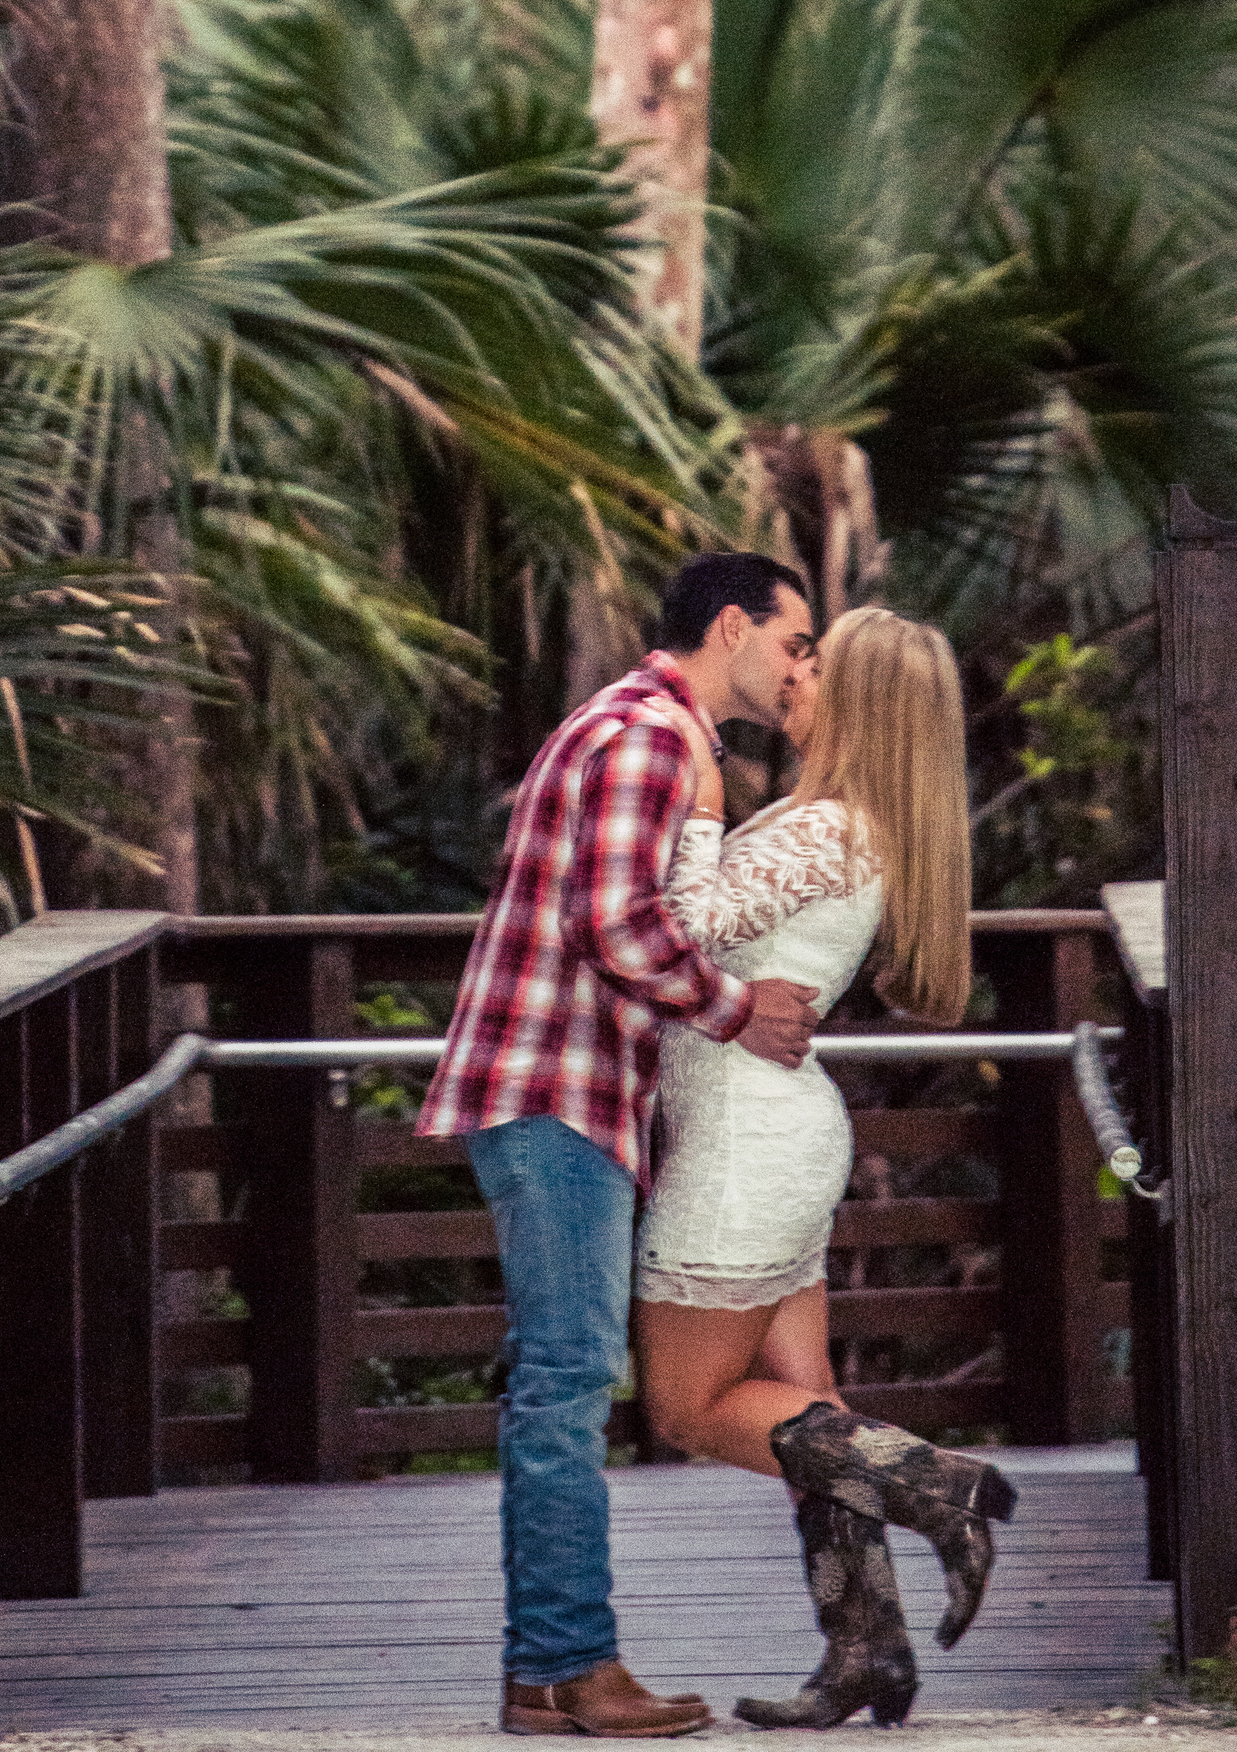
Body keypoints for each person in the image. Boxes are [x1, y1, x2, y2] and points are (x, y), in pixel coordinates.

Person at [418, 549, 822, 1741]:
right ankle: (565, 1666)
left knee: (567, 1374)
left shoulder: (632, 722)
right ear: (735, 624)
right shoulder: (648, 734)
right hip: (556, 1092)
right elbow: (618, 924)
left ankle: (551, 1670)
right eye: (794, 642)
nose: (800, 665)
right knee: (566, 1378)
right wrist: (741, 1008)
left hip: (562, 1092)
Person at [634, 605, 1007, 1733]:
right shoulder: (838, 823)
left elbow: (682, 922)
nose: (790, 672)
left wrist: (698, 804)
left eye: (812, 661)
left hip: (745, 1143)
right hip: (766, 1129)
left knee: (688, 1407)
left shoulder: (826, 829)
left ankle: (940, 1484)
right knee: (807, 1409)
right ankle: (863, 1653)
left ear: (859, 700)